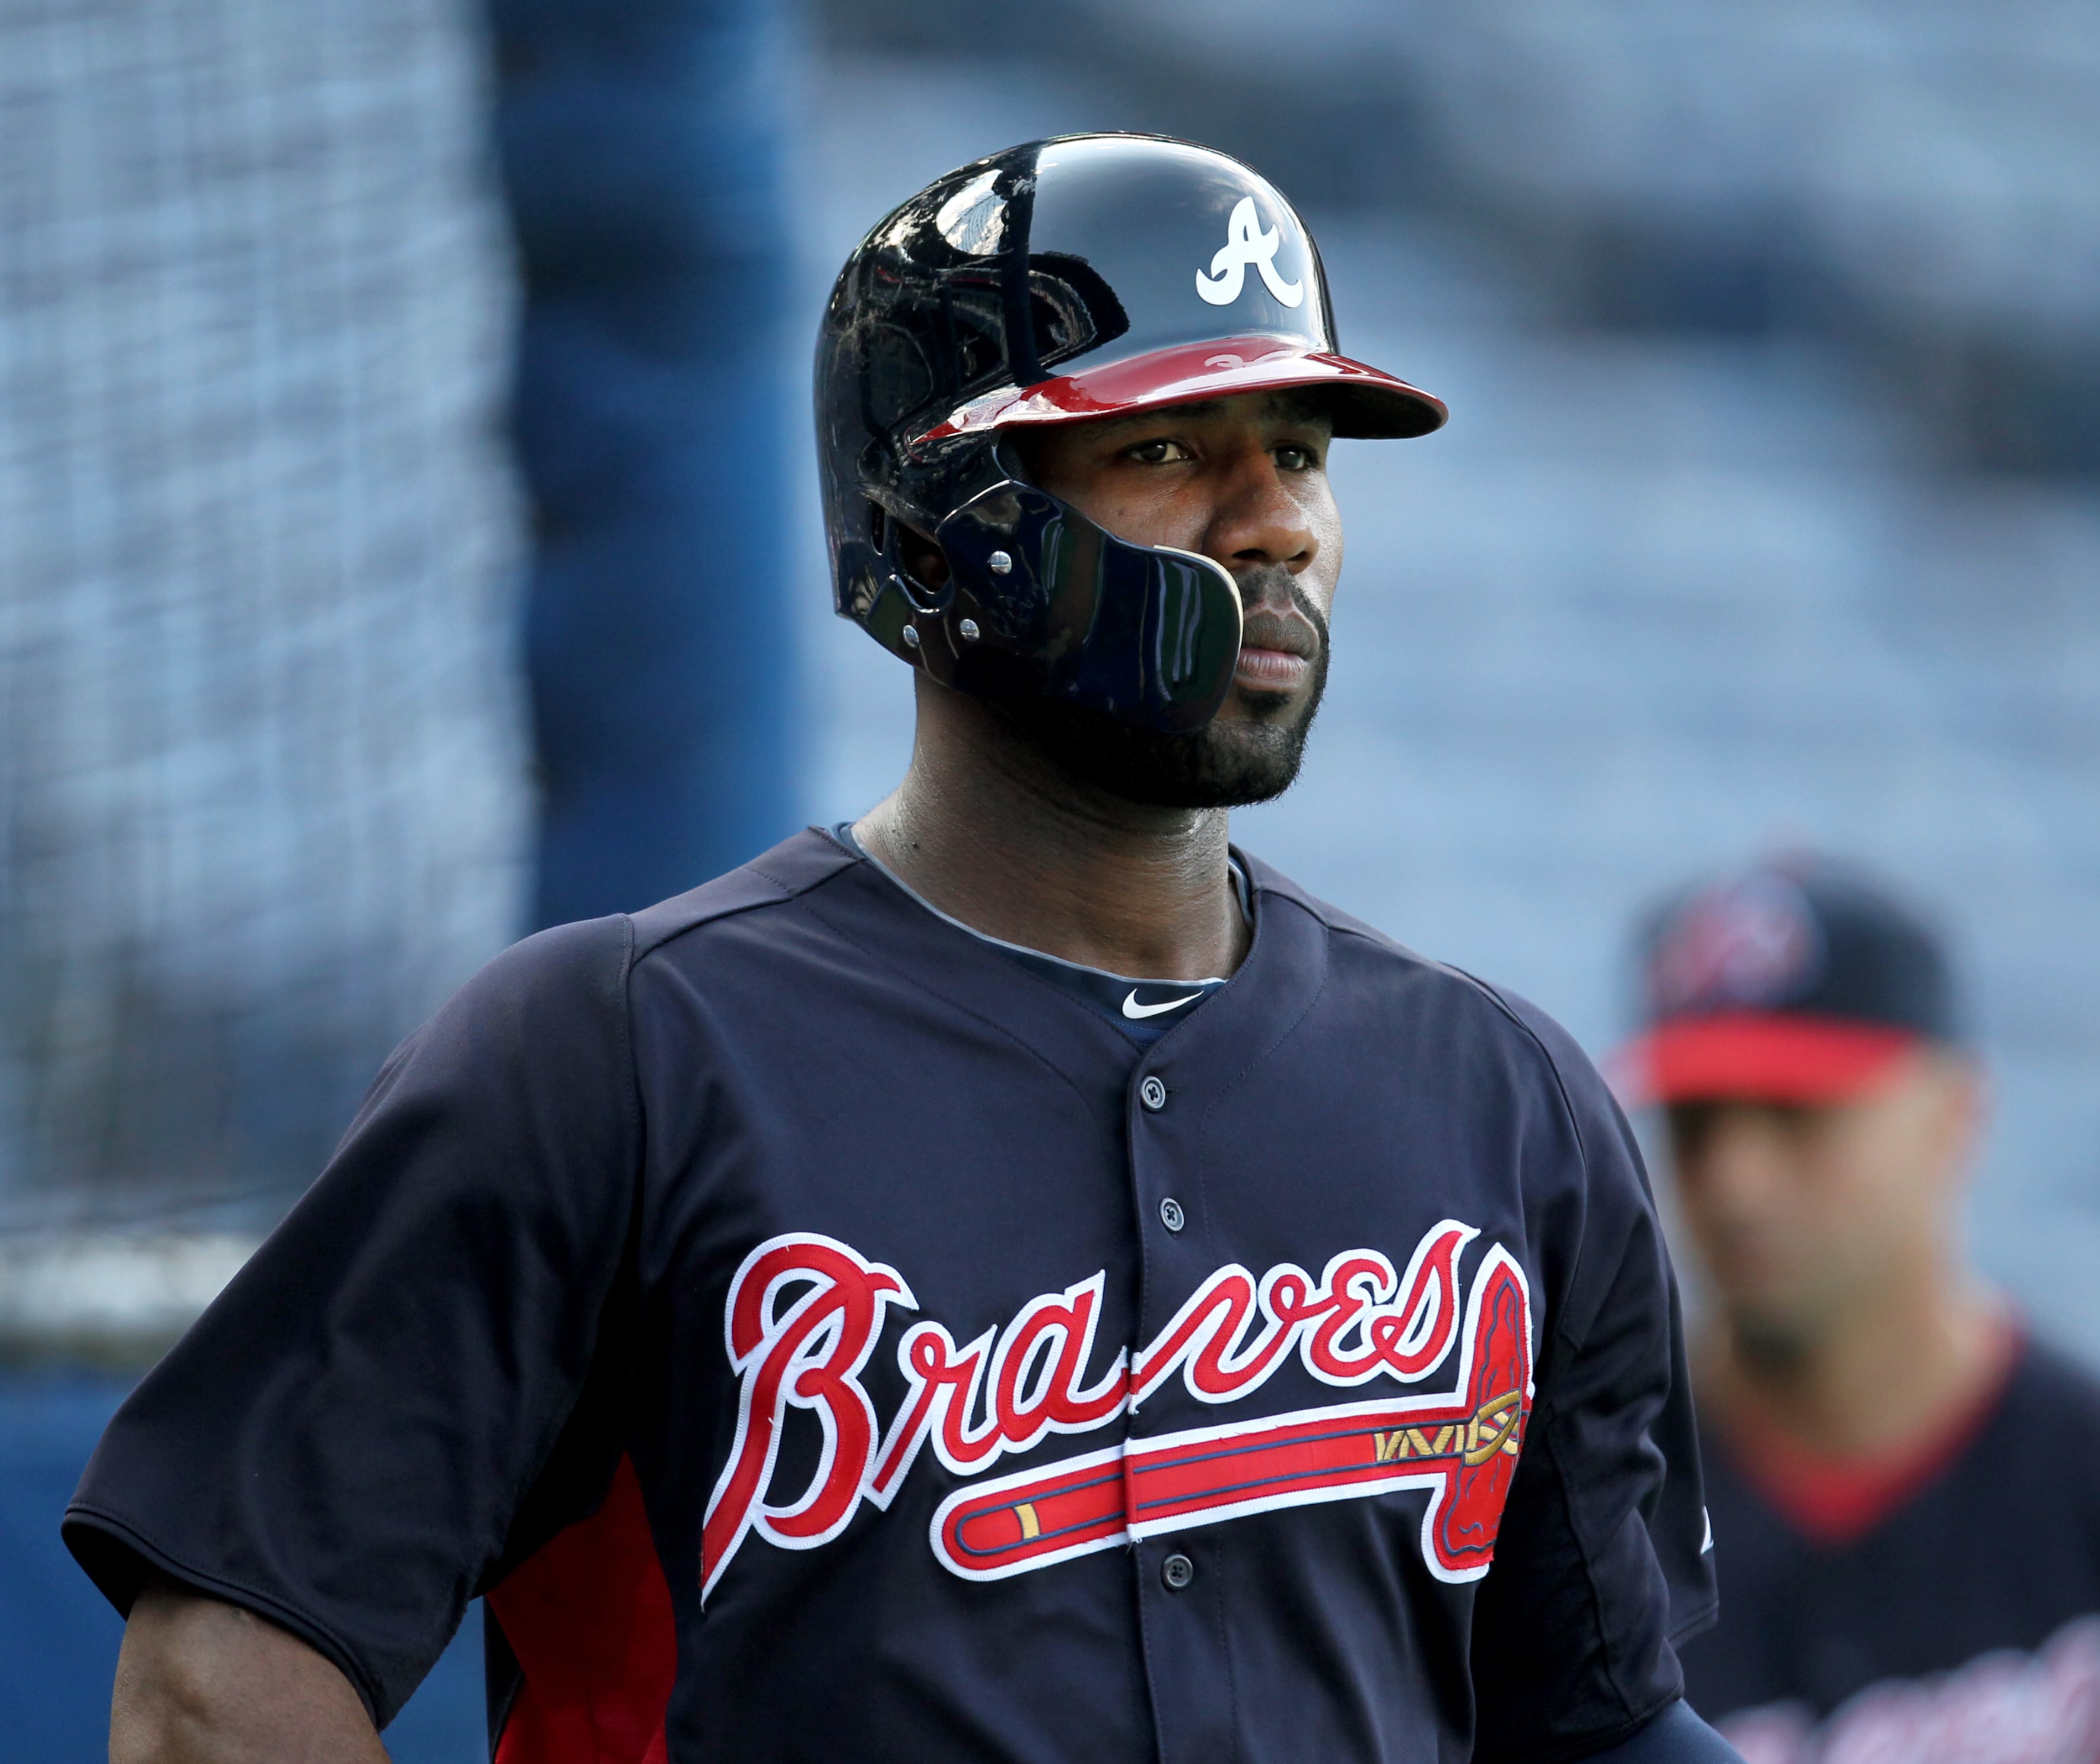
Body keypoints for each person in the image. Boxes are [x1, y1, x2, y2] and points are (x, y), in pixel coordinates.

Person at [69, 136, 1740, 1764]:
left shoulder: (1503, 1102)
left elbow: (1589, 1721)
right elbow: (218, 1670)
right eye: (1170, 450)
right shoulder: (615, 1054)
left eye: (1300, 447)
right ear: (949, 516)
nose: (1278, 523)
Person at [1618, 856, 2100, 1764]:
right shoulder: (1580, 1536)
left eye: (1797, 1112)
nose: (1737, 1182)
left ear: (1954, 1116)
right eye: (1698, 1120)